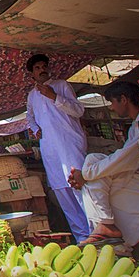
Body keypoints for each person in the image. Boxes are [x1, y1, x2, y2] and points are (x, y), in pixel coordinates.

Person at [68, 81, 139, 248]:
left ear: (123, 99)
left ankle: (105, 224)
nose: (112, 107)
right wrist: (86, 173)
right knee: (92, 161)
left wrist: (85, 175)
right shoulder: (136, 125)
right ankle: (105, 225)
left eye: (112, 102)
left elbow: (126, 159)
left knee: (92, 180)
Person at [25, 53, 91, 244]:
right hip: (50, 149)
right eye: (37, 68)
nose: (41, 70)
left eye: (43, 66)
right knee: (63, 194)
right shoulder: (32, 96)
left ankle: (97, 235)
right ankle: (82, 240)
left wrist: (54, 97)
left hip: (70, 144)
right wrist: (36, 129)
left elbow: (78, 110)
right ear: (32, 74)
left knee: (80, 188)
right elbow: (29, 116)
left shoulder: (62, 86)